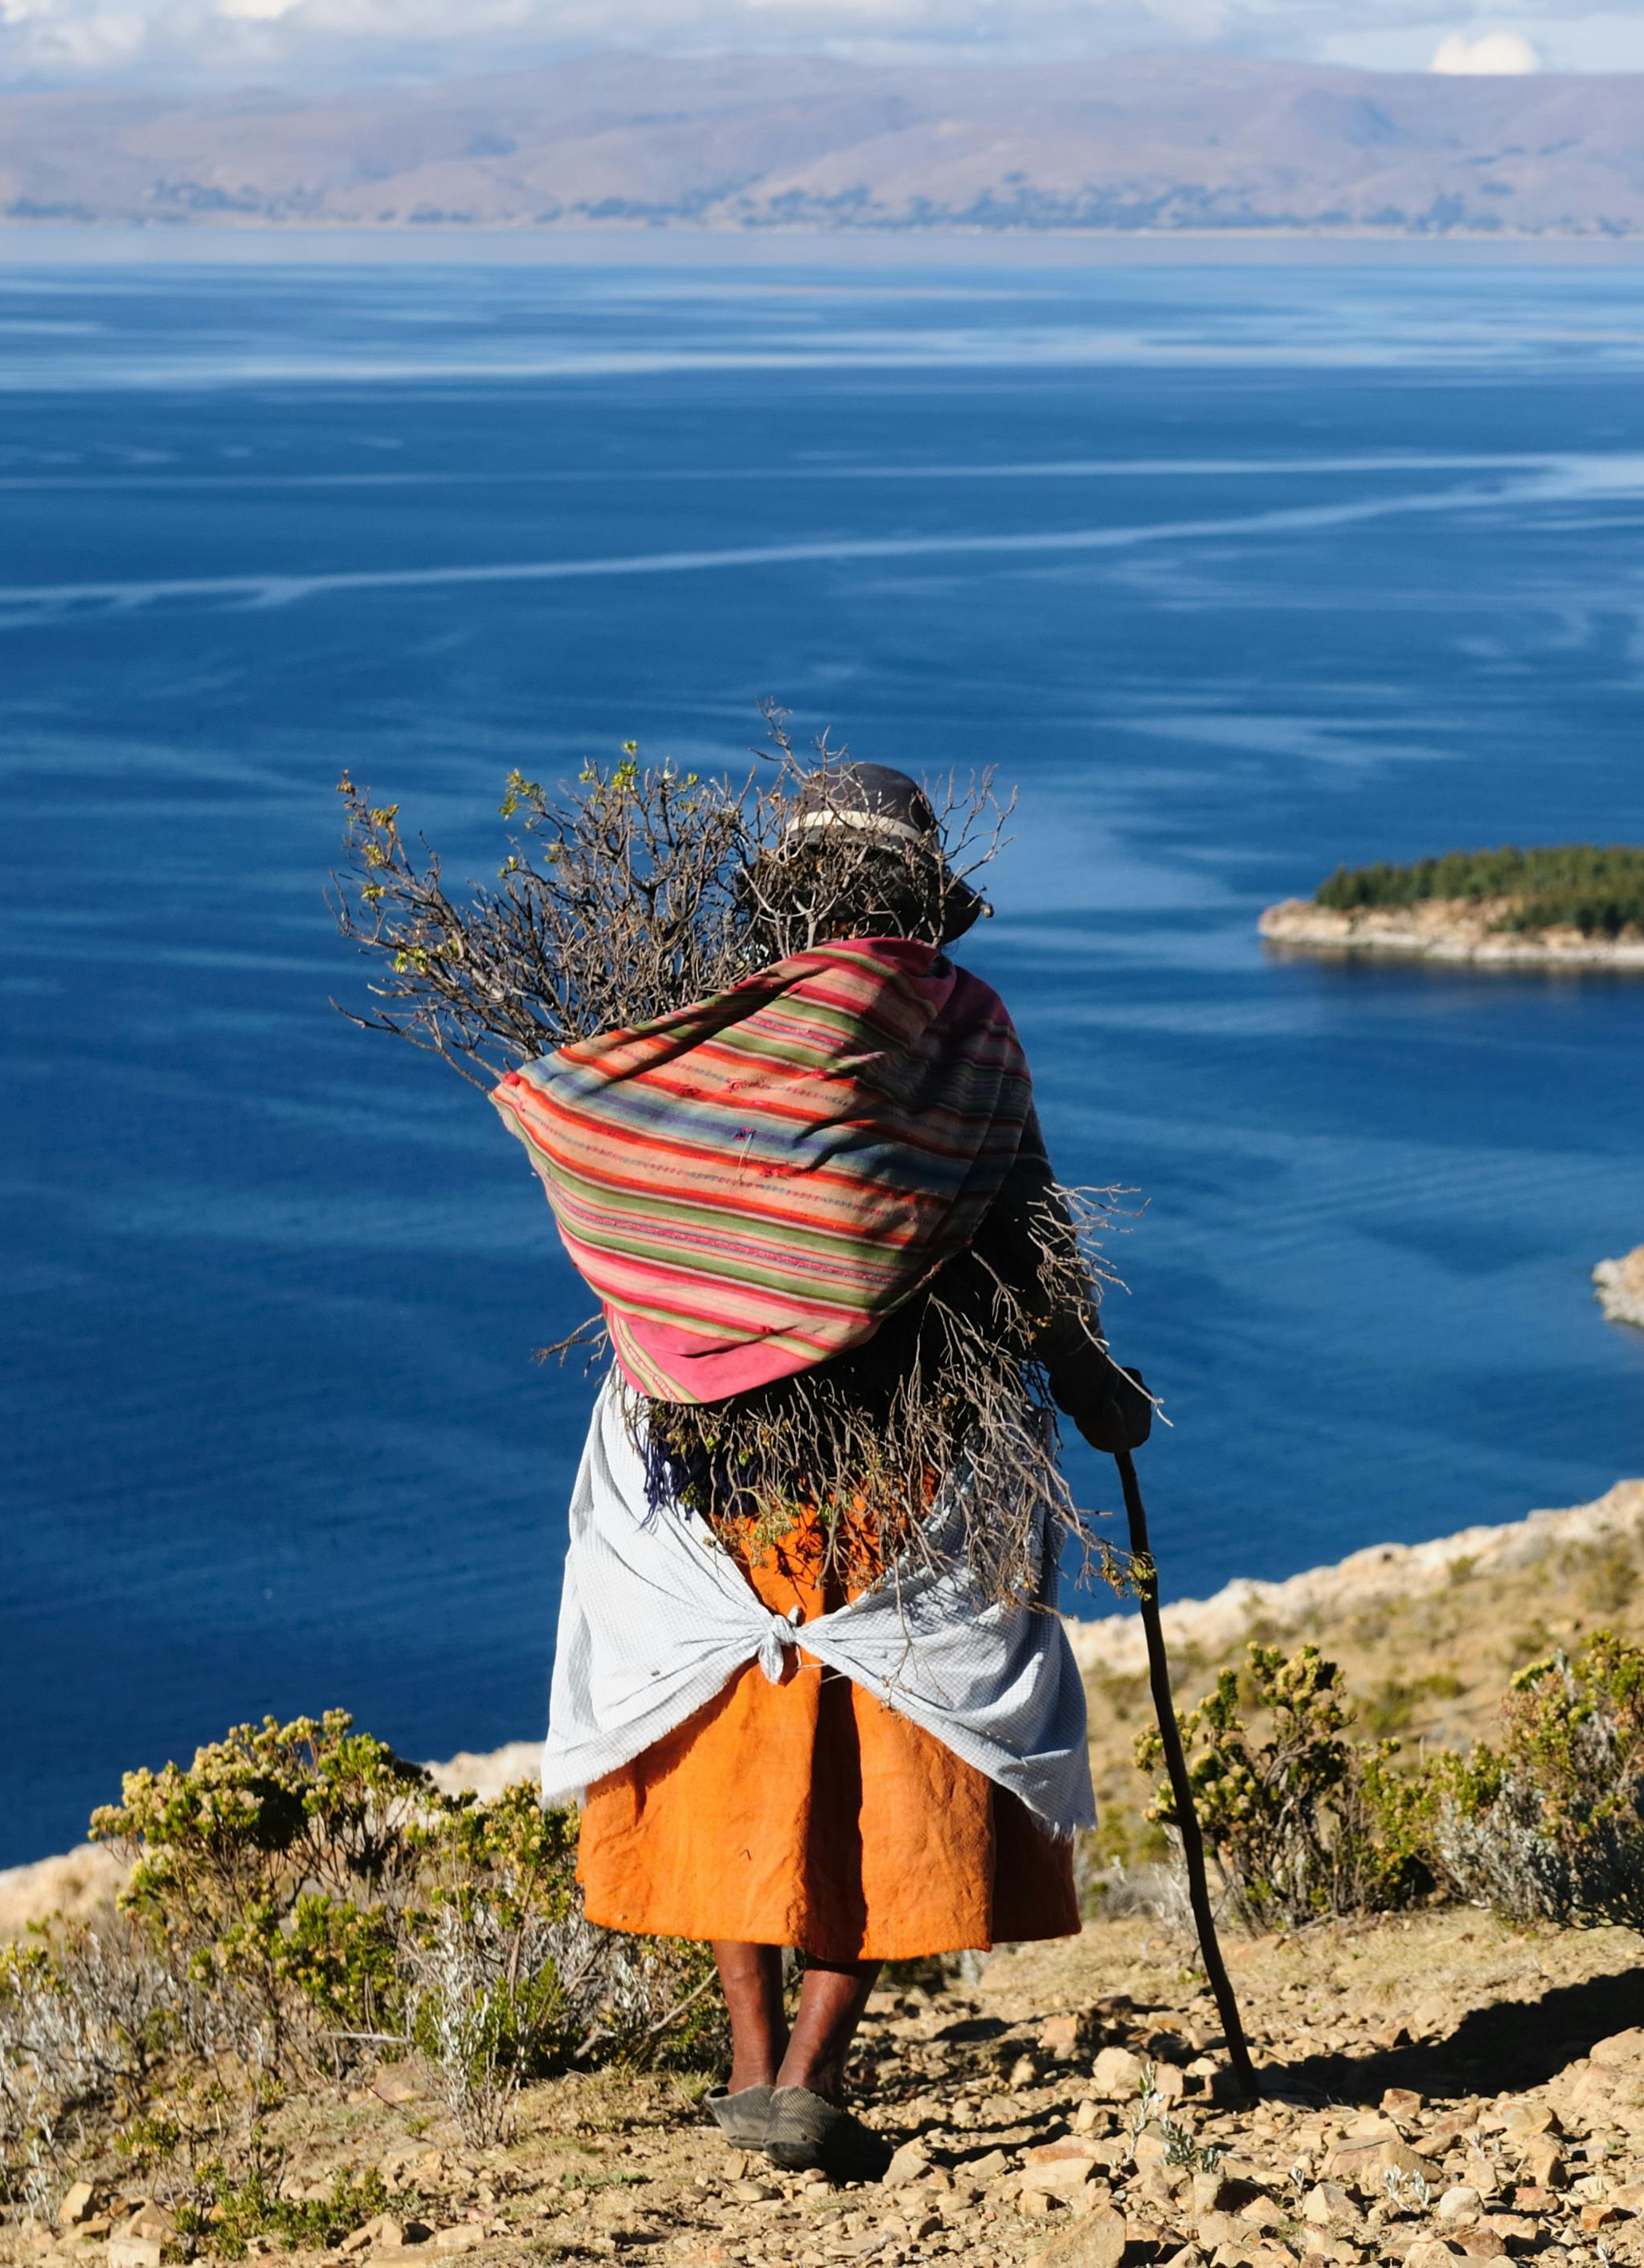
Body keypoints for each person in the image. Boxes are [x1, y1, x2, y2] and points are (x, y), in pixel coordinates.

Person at [499, 762, 1153, 2176]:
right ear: (922, 896)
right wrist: (1090, 1378)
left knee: (734, 1734)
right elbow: (1027, 1219)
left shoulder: (704, 1037)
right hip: (910, 1459)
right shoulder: (967, 1024)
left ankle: (754, 2064)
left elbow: (595, 1147)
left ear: (790, 901)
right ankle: (806, 2067)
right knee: (896, 1738)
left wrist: (705, 1317)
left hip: (710, 1463)